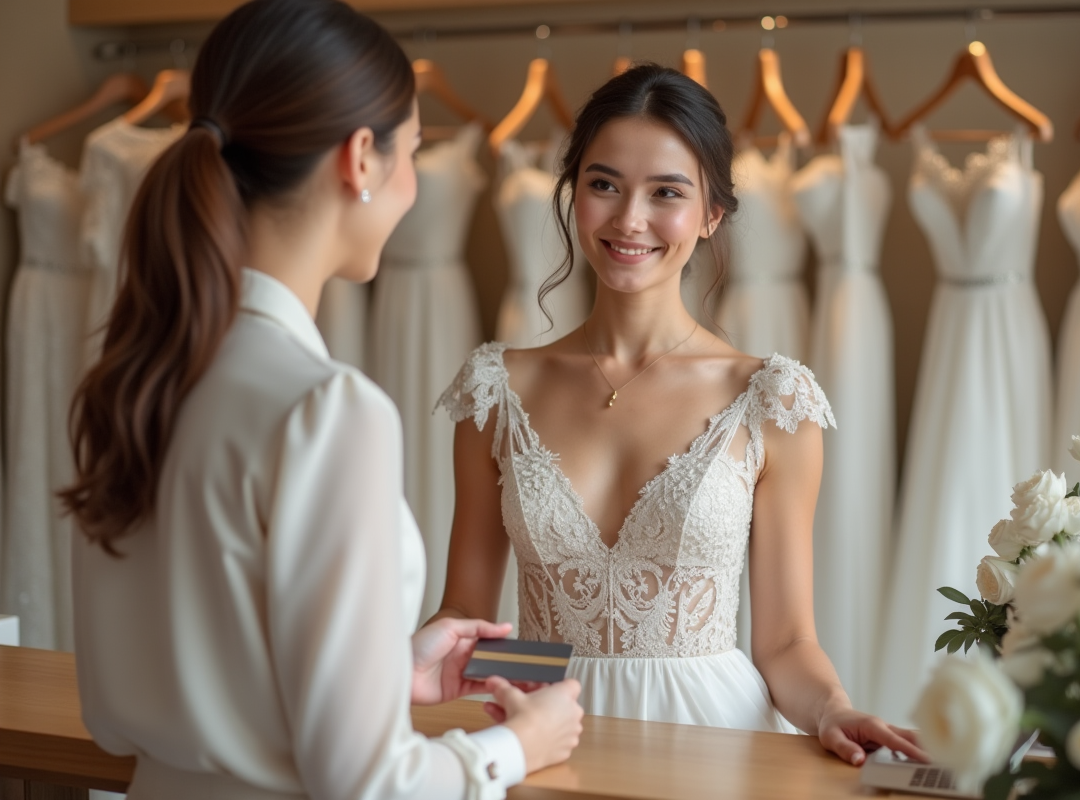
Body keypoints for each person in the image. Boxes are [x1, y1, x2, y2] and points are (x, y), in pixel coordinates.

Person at [60, 1, 582, 798]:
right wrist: (518, 746)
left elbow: (173, 663)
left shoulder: (135, 379)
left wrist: (379, 666)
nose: (410, 182)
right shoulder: (327, 410)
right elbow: (367, 784)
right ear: (360, 158)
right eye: (412, 150)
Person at [435, 64, 925, 767]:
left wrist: (836, 710)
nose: (629, 219)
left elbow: (786, 642)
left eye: (666, 193)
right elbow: (466, 617)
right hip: (543, 739)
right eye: (604, 184)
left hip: (713, 744)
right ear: (574, 195)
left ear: (711, 215)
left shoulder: (771, 401)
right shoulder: (496, 390)